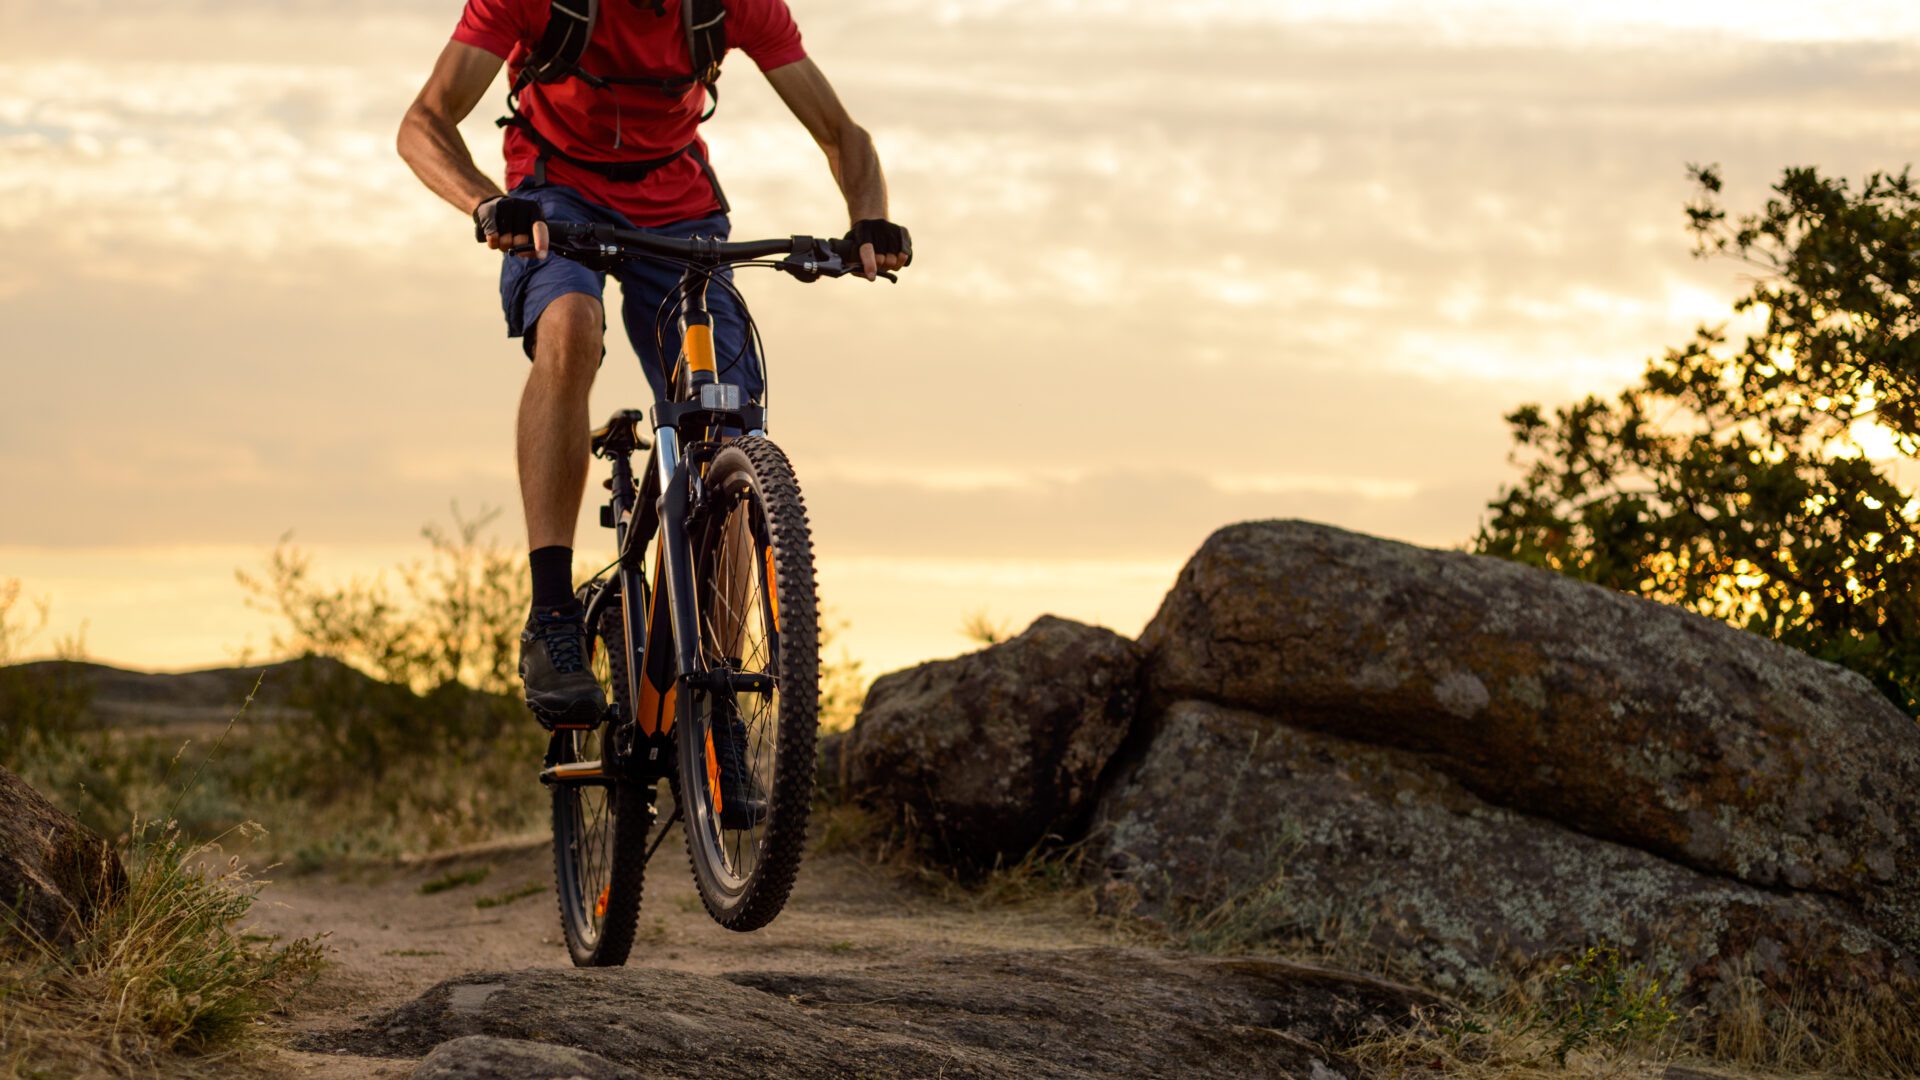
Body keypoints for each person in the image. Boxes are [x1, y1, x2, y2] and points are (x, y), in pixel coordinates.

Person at [396, 0, 911, 728]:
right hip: (554, 196)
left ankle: (720, 695)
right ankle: (551, 615)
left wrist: (869, 216)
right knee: (569, 325)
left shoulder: (732, 6)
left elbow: (840, 132)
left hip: (680, 209)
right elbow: (423, 122)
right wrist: (487, 203)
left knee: (729, 427)